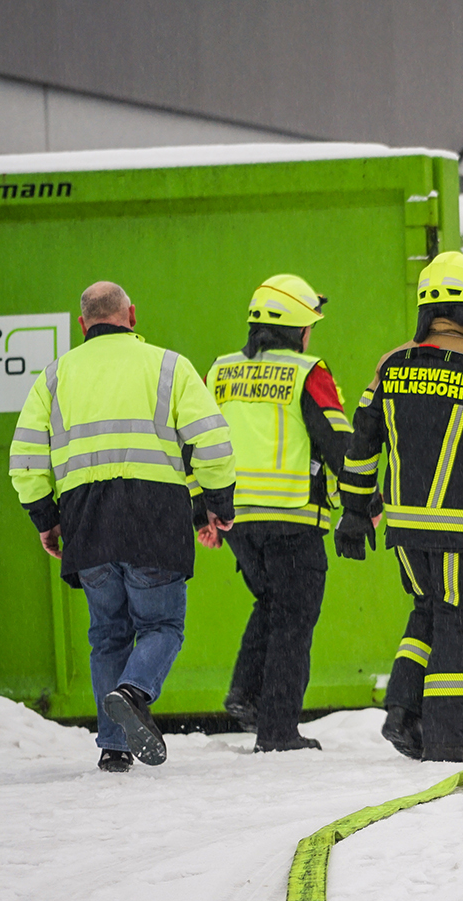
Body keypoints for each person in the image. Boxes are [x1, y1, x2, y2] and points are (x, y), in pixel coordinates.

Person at [9, 281, 235, 772]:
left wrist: (46, 519)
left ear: (81, 322)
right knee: (162, 624)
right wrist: (218, 502)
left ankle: (113, 747)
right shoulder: (170, 366)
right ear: (131, 314)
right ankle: (133, 693)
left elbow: (25, 456)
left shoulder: (54, 377)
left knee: (108, 633)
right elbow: (212, 440)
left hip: (86, 520)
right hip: (155, 518)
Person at [338, 251, 463, 762]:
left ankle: (403, 712)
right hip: (461, 528)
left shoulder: (391, 363)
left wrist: (355, 513)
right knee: (458, 623)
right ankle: (446, 739)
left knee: (426, 612)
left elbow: (362, 446)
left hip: (405, 529)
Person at [207, 274, 353, 752]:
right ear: (298, 328)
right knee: (294, 619)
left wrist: (203, 509)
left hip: (239, 522)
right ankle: (277, 731)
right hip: (292, 517)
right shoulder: (307, 372)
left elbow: (199, 443)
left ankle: (247, 694)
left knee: (270, 602)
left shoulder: (221, 371)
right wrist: (364, 501)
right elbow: (335, 439)